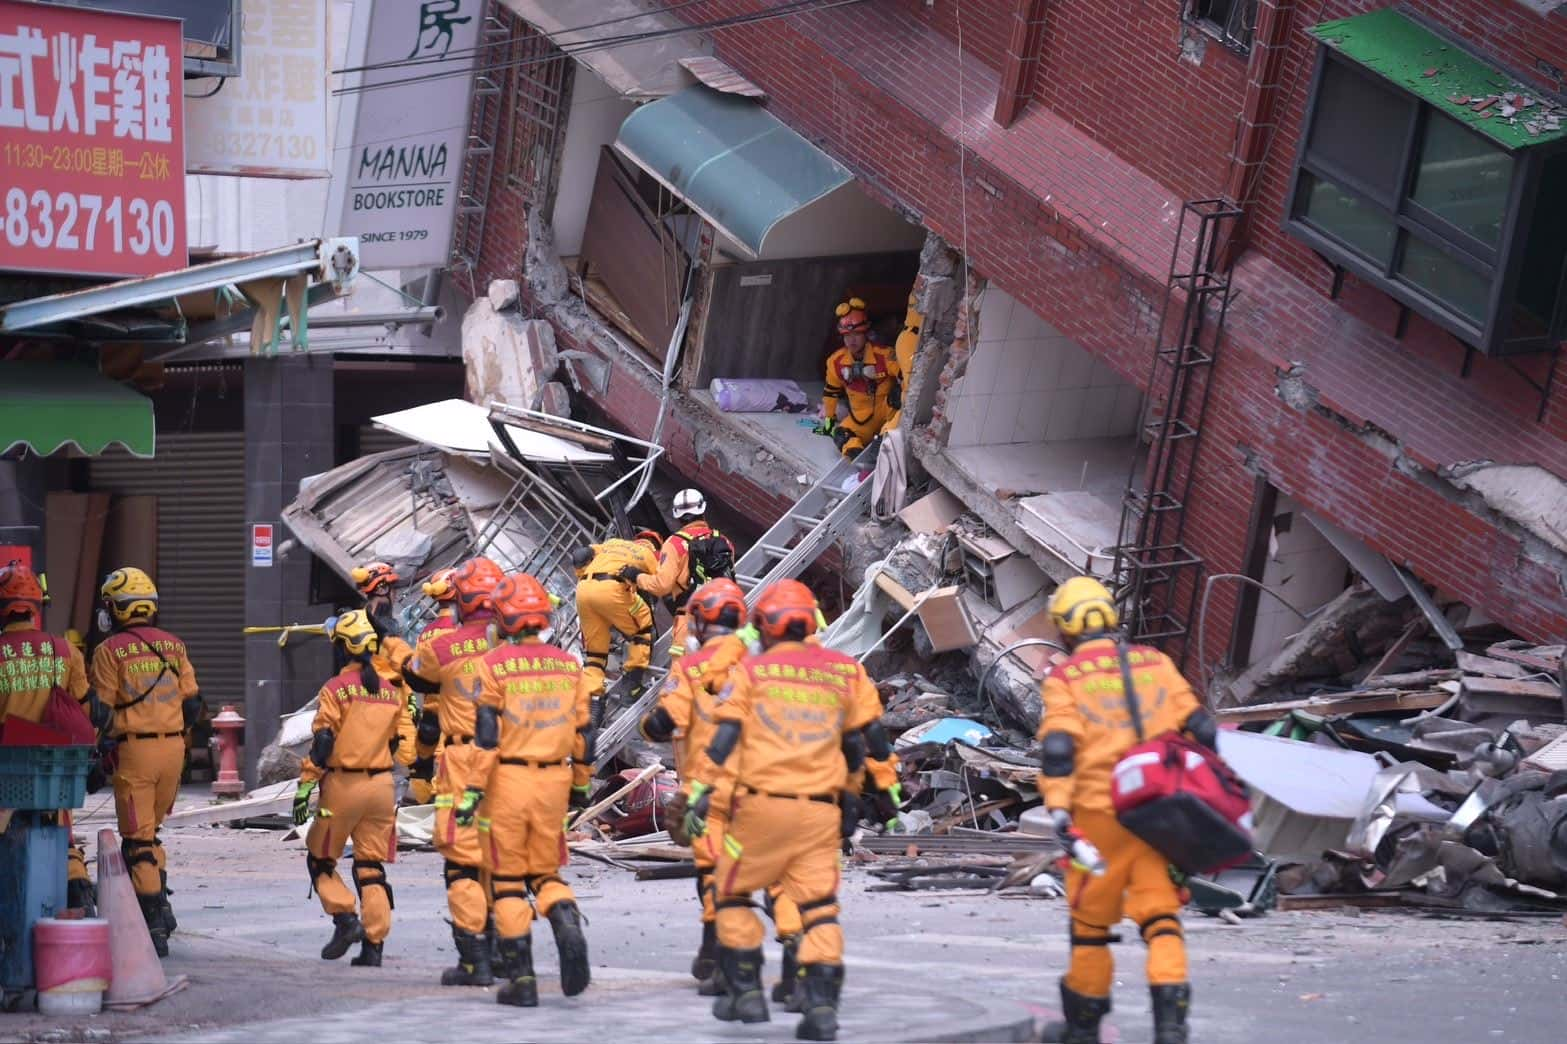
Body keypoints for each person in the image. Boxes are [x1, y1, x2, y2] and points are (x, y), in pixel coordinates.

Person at [680, 580, 891, 1041]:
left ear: (765, 628)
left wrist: (702, 791)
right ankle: (820, 1005)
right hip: (821, 814)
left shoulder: (752, 673)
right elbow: (867, 743)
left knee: (732, 894)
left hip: (760, 810)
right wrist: (863, 795)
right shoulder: (845, 671)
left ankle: (747, 991)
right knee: (819, 908)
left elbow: (724, 739)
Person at [1035, 577, 1216, 1044]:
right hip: (1161, 812)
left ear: (1064, 629)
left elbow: (1058, 748)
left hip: (1100, 816)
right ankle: (1172, 1027)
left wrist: (1058, 811)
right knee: (1161, 919)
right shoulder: (1156, 662)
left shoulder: (1065, 678)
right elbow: (1202, 728)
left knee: (1091, 925)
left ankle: (1083, 1027)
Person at [468, 573, 594, 1007]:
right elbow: (585, 734)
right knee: (545, 872)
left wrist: (470, 790)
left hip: (508, 780)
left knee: (505, 882)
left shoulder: (493, 664)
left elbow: (486, 735)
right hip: (554, 780)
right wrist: (581, 785)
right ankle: (565, 919)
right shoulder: (568, 665)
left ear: (504, 619)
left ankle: (522, 981)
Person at [638, 578, 751, 993]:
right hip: (763, 787)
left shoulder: (690, 668)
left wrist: (649, 725)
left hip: (710, 788)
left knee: (712, 871)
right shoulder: (762, 664)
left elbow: (664, 724)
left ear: (701, 623)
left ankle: (718, 954)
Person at [403, 556, 505, 986]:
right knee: (499, 860)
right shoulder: (520, 646)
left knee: (462, 862)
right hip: (510, 764)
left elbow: (417, 679)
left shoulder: (440, 644)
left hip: (462, 761)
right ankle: (505, 952)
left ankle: (474, 959)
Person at [90, 566, 201, 958]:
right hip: (173, 751)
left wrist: (93, 751)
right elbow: (193, 704)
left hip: (135, 752)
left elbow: (100, 710)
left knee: (136, 842)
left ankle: (154, 926)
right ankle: (164, 908)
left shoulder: (108, 651)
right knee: (151, 834)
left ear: (118, 609)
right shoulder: (175, 645)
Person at [292, 610, 413, 967]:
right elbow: (394, 744)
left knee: (320, 859)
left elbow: (323, 741)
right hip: (381, 788)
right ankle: (373, 948)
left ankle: (345, 919)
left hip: (344, 787)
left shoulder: (335, 689)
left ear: (342, 648)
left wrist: (305, 786)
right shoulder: (391, 692)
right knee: (371, 866)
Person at [0, 561, 104, 912]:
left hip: (6, 772)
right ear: (37, 607)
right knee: (62, 833)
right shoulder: (64, 650)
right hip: (53, 773)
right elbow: (87, 711)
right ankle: (77, 899)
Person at [635, 489, 737, 660]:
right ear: (703, 510)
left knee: (686, 677)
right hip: (723, 617)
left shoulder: (675, 544)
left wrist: (638, 578)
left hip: (691, 621)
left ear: (678, 516)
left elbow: (662, 585)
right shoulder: (723, 541)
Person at [572, 532, 660, 700]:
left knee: (596, 654)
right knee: (642, 627)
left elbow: (581, 554)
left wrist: (582, 574)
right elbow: (660, 584)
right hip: (611, 588)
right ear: (653, 544)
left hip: (583, 589)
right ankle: (631, 685)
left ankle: (593, 701)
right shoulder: (647, 554)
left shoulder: (611, 543)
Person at [406, 568, 460, 807]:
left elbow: (418, 670)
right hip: (458, 709)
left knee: (432, 762)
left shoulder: (426, 632)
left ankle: (426, 806)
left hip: (431, 710)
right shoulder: (463, 630)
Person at [821, 297, 901, 457]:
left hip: (887, 413)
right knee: (840, 435)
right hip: (861, 419)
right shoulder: (835, 362)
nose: (852, 340)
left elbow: (907, 377)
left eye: (857, 334)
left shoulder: (884, 355)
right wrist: (828, 426)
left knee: (899, 394)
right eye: (847, 335)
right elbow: (830, 395)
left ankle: (886, 440)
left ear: (866, 333)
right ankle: (860, 458)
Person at [352, 562, 414, 671]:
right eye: (393, 588)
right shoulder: (385, 625)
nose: (395, 593)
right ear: (381, 590)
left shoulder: (365, 612)